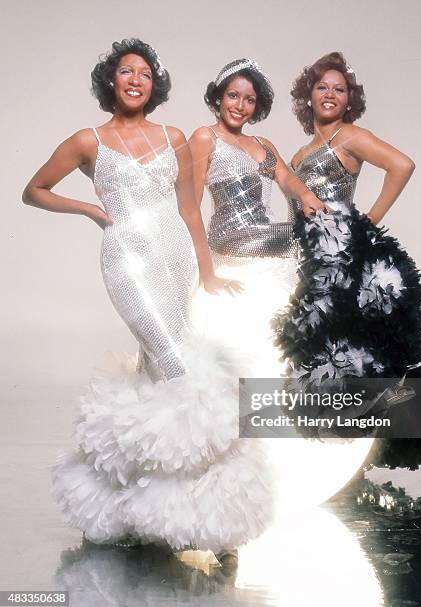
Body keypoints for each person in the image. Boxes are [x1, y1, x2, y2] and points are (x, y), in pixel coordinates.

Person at [22, 39, 273, 556]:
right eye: (125, 72)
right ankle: (209, 493)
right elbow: (35, 190)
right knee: (176, 366)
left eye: (144, 73)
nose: (135, 80)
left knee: (156, 373)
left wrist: (205, 272)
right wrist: (90, 210)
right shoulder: (87, 140)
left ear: (154, 83)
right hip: (127, 260)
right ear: (110, 81)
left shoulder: (175, 135)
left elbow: (189, 210)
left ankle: (133, 507)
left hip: (175, 257)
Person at [272, 52, 421, 492]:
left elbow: (403, 165)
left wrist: (367, 222)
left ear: (349, 100)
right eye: (322, 87)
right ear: (309, 95)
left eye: (338, 89)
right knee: (336, 366)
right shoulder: (301, 151)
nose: (329, 94)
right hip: (317, 267)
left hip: (350, 263)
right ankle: (358, 463)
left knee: (377, 363)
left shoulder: (351, 136)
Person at [189, 58, 327, 377]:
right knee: (324, 247)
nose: (240, 106)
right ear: (219, 96)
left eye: (249, 99)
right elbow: (190, 209)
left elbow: (286, 178)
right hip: (232, 243)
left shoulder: (263, 144)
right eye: (233, 96)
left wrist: (306, 195)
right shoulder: (204, 138)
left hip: (267, 244)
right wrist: (207, 274)